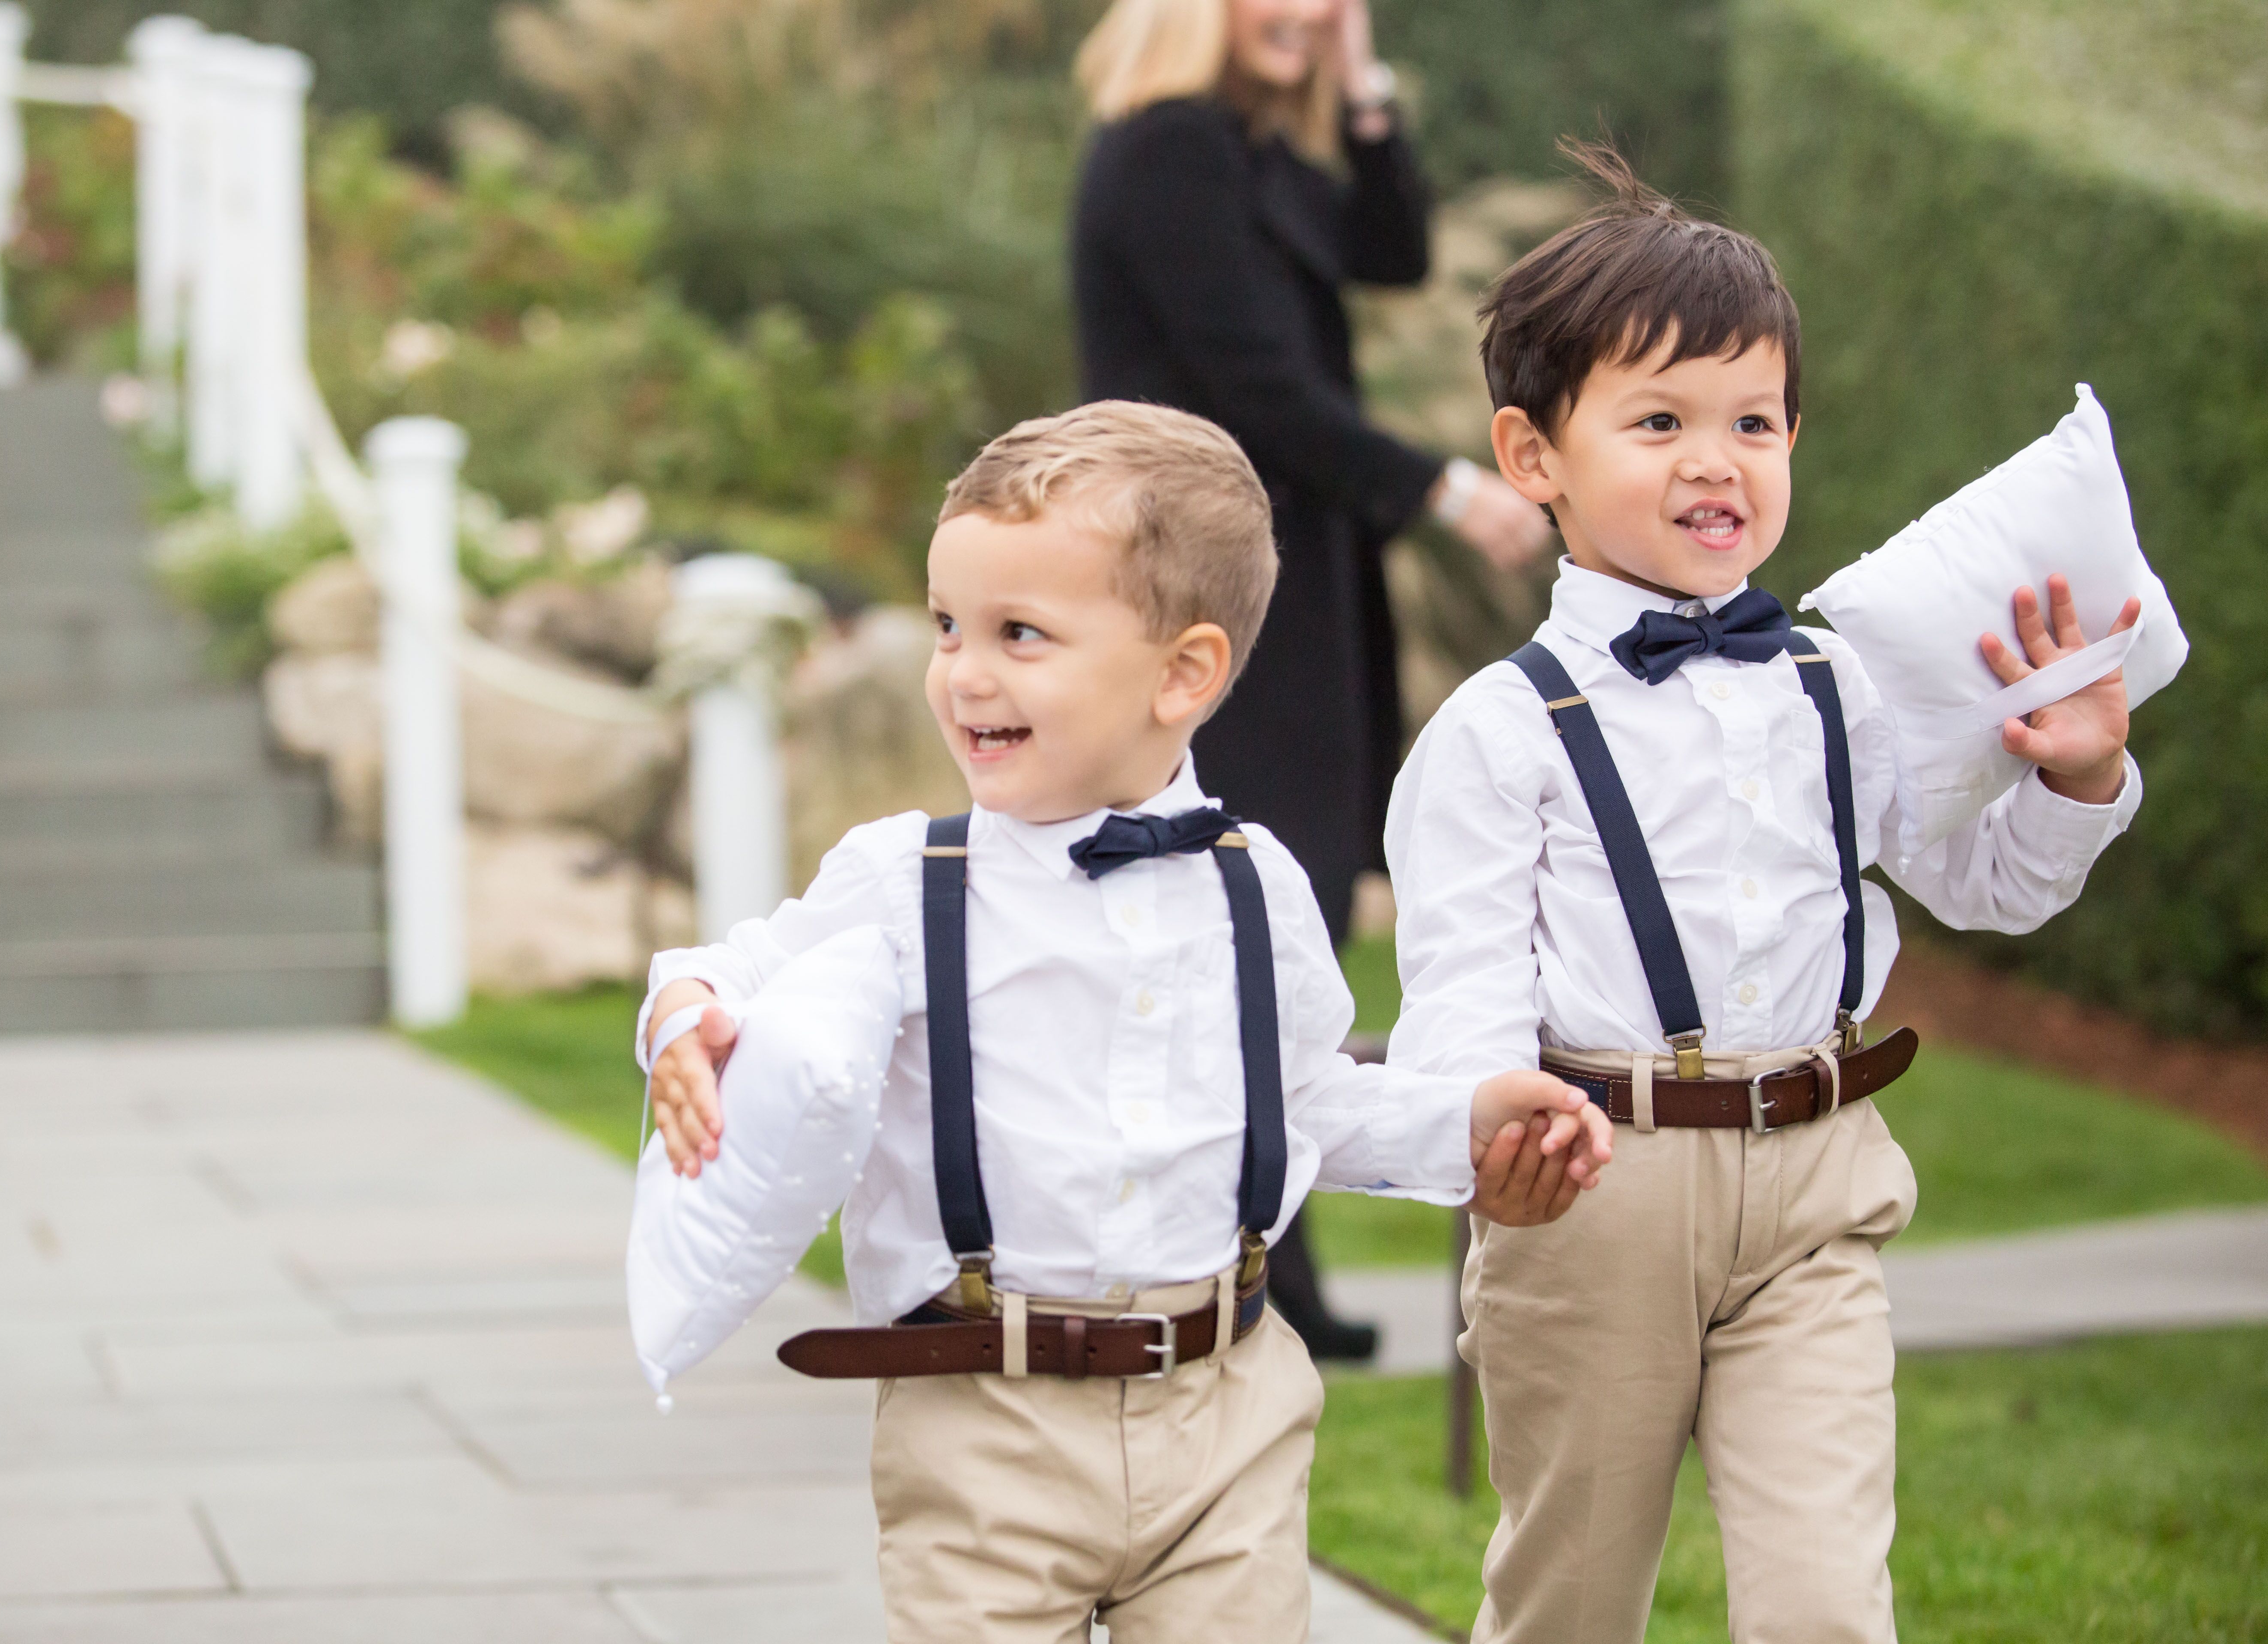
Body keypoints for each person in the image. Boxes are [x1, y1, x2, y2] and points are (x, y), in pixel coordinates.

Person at [640, 402, 1612, 1644]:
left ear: (1183, 673)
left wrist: (1465, 1126)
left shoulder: (1256, 882)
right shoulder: (904, 882)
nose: (964, 672)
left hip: (1228, 1406)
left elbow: (1309, 1100)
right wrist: (687, 1019)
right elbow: (732, 967)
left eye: (1019, 634)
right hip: (985, 1416)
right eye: (950, 627)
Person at [1386, 145, 2146, 1643]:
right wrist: (1488, 1129)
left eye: (1753, 421)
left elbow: (1979, 889)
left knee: (1825, 1605)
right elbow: (1461, 992)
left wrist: (2075, 782)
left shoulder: (1840, 685)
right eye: (1658, 420)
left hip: (1817, 1182)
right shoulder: (1497, 730)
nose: (1714, 459)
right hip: (1599, 1191)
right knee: (1570, 1603)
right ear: (1533, 456)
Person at [1070, 0, 1553, 1358]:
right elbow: (1256, 391)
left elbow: (1393, 253)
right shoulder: (1167, 150)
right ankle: (1255, 1255)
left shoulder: (1251, 153)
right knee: (1251, 895)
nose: (1303, 9)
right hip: (1206, 584)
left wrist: (1361, 80)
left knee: (1294, 894)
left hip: (1293, 575)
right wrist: (1446, 491)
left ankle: (1269, 1245)